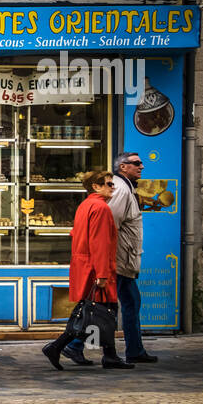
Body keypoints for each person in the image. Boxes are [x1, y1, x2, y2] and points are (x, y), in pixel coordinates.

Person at [62, 151, 157, 364]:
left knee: (107, 306)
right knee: (109, 307)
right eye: (136, 163)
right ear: (123, 167)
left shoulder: (118, 191)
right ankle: (79, 346)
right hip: (118, 259)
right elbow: (104, 232)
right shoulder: (117, 194)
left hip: (119, 259)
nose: (141, 166)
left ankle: (121, 351)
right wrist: (103, 268)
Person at [42, 170, 134, 370]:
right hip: (97, 267)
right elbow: (99, 243)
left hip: (84, 265)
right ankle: (57, 347)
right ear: (96, 186)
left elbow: (76, 234)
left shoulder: (85, 205)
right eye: (109, 184)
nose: (113, 187)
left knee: (95, 312)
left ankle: (108, 355)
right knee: (97, 313)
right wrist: (102, 273)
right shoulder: (101, 208)